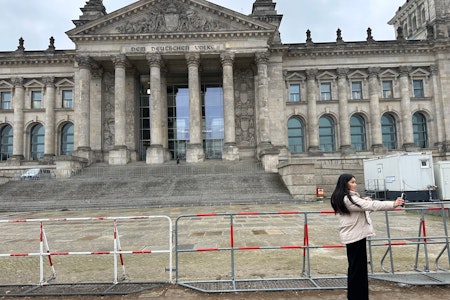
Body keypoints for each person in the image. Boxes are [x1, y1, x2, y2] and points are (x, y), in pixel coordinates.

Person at [330, 173, 404, 300]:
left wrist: (365, 202)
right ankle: (358, 296)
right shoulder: (348, 198)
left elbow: (364, 209)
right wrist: (393, 204)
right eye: (352, 182)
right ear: (345, 184)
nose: (355, 184)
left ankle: (358, 296)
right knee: (357, 270)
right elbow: (372, 206)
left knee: (357, 269)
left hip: (355, 235)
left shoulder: (347, 198)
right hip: (355, 236)